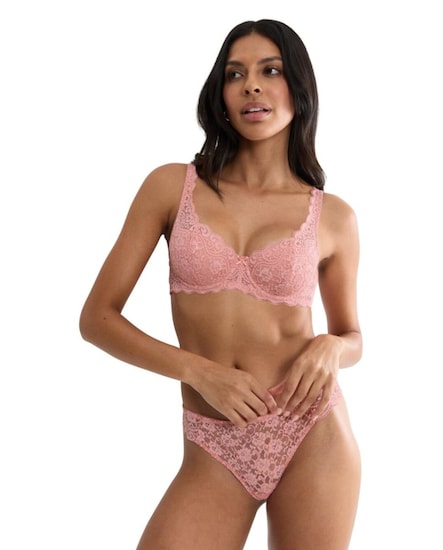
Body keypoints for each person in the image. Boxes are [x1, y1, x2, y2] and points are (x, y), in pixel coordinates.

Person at [80, 19, 362, 550]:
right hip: (212, 443)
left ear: (299, 89)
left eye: (270, 71)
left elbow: (352, 336)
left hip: (313, 431)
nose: (251, 85)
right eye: (236, 74)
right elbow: (97, 319)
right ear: (222, 94)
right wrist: (199, 372)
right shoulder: (172, 186)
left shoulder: (334, 217)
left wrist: (331, 347)